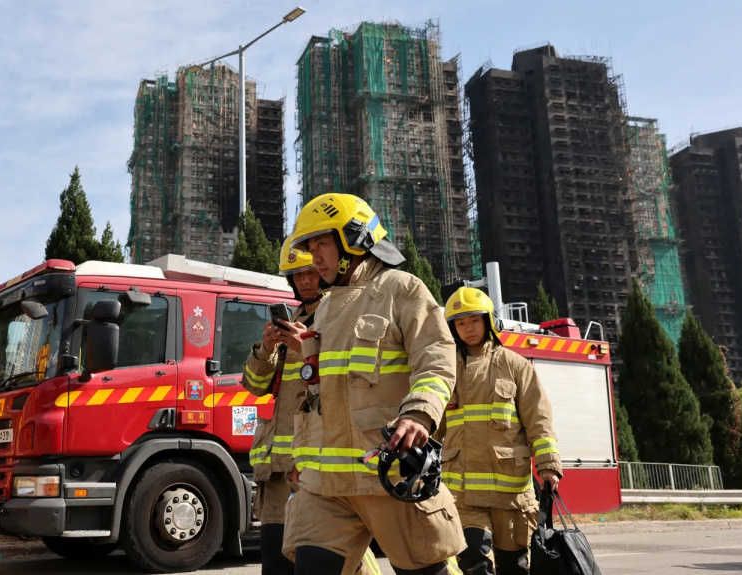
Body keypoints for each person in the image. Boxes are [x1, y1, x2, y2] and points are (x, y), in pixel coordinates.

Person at [282, 193, 465, 575]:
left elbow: (436, 357)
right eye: (310, 246)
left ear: (354, 238)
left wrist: (419, 413)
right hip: (325, 486)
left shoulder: (403, 289)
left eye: (321, 244)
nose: (314, 257)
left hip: (388, 471)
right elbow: (320, 392)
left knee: (426, 570)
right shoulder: (327, 306)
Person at [241, 238, 382, 575]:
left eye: (309, 273)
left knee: (335, 559)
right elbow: (255, 386)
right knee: (276, 561)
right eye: (297, 275)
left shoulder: (340, 316)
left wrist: (308, 347)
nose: (304, 280)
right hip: (279, 465)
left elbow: (345, 383)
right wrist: (266, 350)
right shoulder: (291, 320)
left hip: (320, 460)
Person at [441, 287, 562, 575]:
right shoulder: (445, 371)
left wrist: (548, 465)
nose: (467, 328)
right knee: (473, 559)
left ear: (488, 321)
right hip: (464, 492)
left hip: (509, 493)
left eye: (473, 320)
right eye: (460, 323)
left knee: (514, 567)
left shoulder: (515, 366)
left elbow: (539, 419)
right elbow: (432, 421)